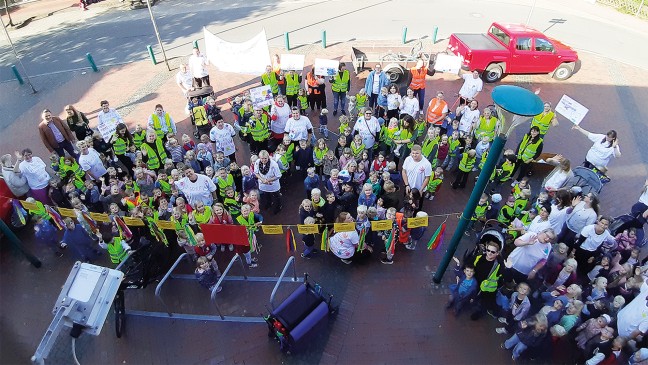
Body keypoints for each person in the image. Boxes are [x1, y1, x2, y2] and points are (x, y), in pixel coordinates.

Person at [254, 150, 282, 214]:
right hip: (263, 184)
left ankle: (278, 207)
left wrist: (268, 180)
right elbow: (256, 173)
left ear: (268, 157)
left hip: (273, 184)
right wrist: (262, 180)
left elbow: (278, 176)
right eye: (262, 158)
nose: (263, 160)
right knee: (266, 195)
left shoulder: (274, 164)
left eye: (265, 158)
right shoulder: (257, 162)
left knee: (276, 196)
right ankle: (269, 203)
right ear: (259, 158)